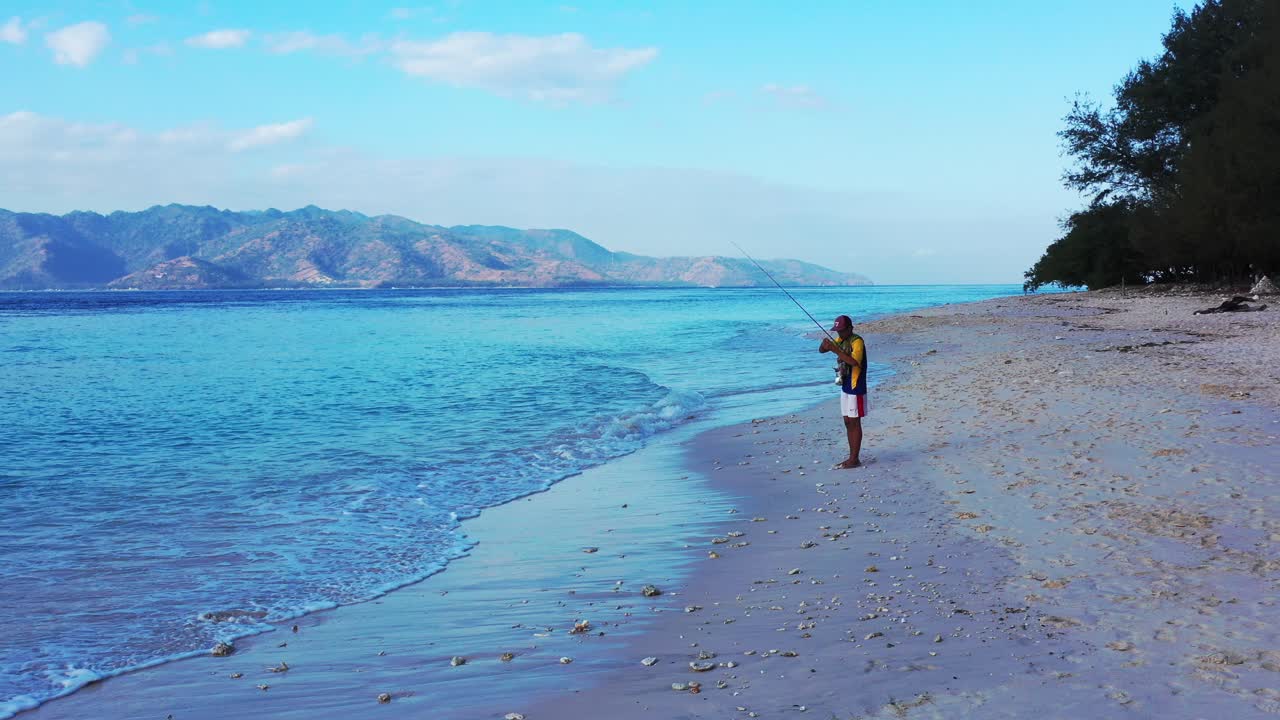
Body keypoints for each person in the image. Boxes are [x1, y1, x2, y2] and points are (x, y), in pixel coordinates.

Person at [818, 315, 867, 468]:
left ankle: (854, 458)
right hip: (845, 384)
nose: (839, 334)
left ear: (850, 328)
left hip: (856, 386)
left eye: (842, 331)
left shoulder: (857, 341)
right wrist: (825, 345)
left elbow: (854, 362)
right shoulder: (841, 340)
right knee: (847, 421)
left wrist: (834, 350)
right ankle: (852, 456)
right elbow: (821, 351)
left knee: (854, 421)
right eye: (837, 331)